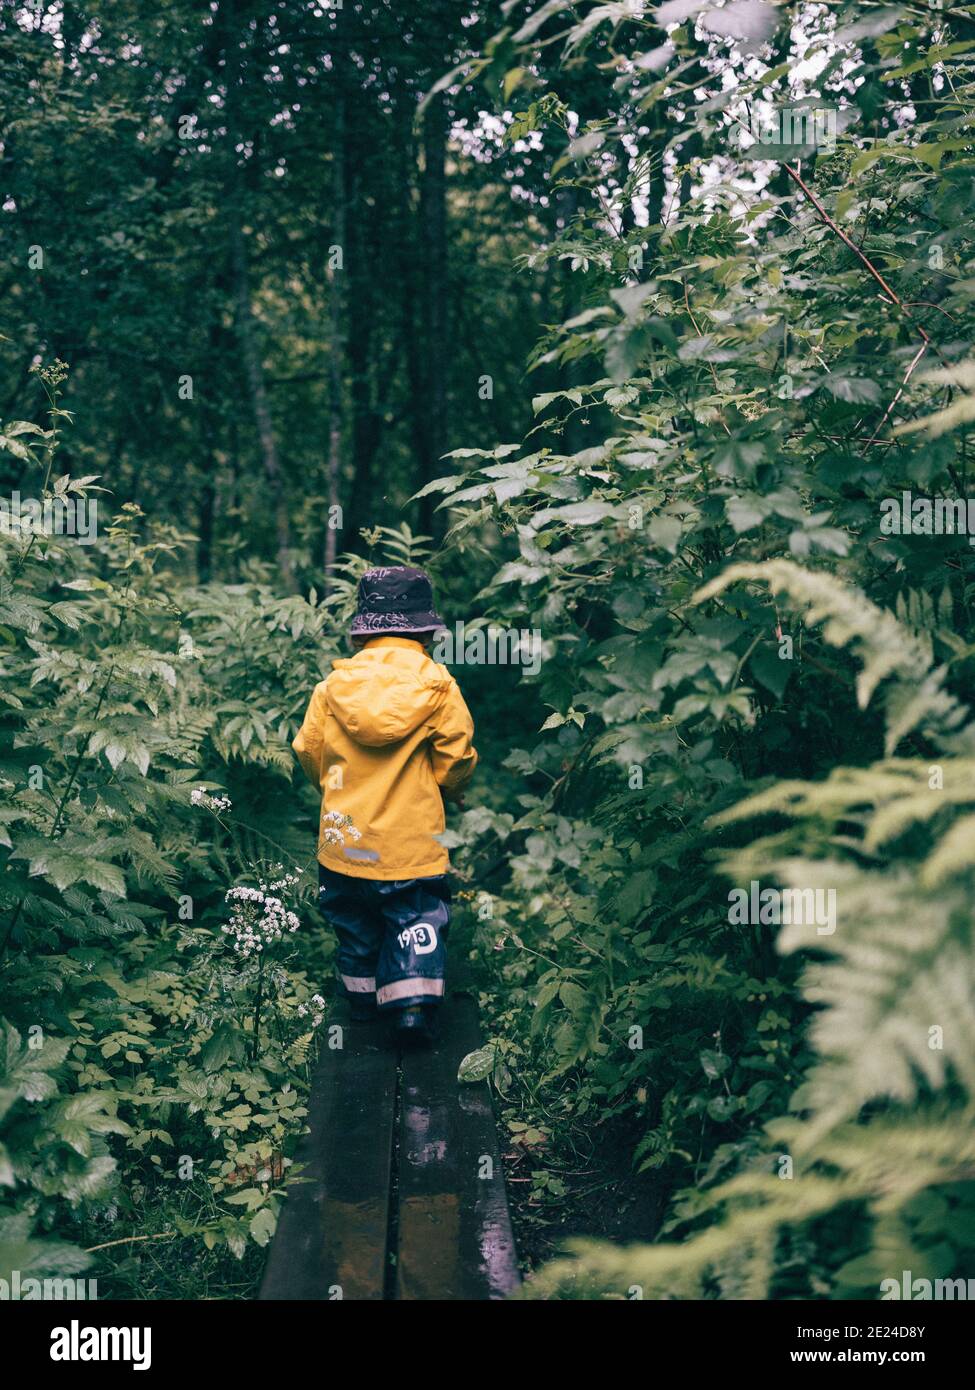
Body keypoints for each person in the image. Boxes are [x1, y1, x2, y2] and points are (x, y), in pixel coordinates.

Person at [292, 565, 478, 1045]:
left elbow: (309, 752)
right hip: (411, 844)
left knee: (354, 921)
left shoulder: (331, 690)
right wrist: (447, 787)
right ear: (425, 629)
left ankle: (360, 1001)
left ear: (363, 631)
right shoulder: (439, 687)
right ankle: (412, 1009)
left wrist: (333, 794)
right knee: (414, 919)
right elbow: (455, 757)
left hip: (346, 841)